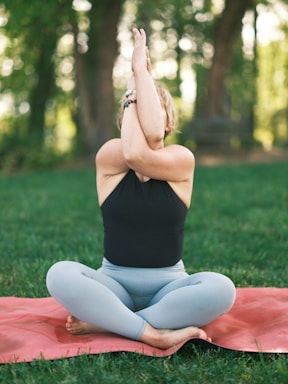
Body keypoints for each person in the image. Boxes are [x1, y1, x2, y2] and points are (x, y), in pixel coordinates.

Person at [46, 28, 236, 349]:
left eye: (151, 106)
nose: (139, 109)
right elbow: (134, 151)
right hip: (112, 281)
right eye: (131, 105)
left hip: (169, 285)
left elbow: (147, 145)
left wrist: (137, 78)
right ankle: (153, 332)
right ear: (125, 117)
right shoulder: (109, 155)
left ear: (168, 119)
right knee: (59, 274)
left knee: (222, 288)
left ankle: (110, 322)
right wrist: (135, 86)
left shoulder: (180, 159)